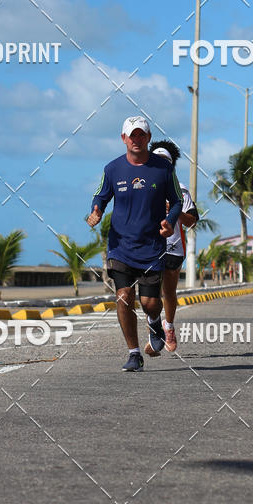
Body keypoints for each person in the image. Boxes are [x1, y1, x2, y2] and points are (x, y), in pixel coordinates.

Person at [87, 117, 182, 371]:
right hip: (121, 246)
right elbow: (101, 195)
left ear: (148, 138)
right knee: (124, 296)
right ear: (123, 138)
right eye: (132, 135)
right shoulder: (112, 169)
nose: (136, 140)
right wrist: (96, 210)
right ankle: (134, 353)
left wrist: (170, 221)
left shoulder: (163, 168)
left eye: (141, 135)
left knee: (150, 303)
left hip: (152, 247)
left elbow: (176, 201)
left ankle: (154, 321)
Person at [149, 140, 199, 351]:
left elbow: (192, 221)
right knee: (149, 294)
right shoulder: (142, 185)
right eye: (156, 160)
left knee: (168, 291)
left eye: (165, 161)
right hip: (148, 246)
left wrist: (175, 210)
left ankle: (168, 327)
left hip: (173, 246)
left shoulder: (181, 189)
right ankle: (154, 329)